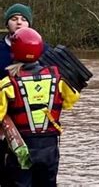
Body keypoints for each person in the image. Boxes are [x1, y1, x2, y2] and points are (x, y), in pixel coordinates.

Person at [0, 27, 79, 186]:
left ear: (13, 52)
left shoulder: (7, 84)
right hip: (50, 148)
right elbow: (71, 100)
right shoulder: (58, 79)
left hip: (21, 148)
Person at [0, 3, 35, 186]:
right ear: (7, 24)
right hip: (2, 118)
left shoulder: (41, 50)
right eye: (14, 19)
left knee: (27, 172)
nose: (19, 23)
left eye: (23, 20)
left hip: (30, 121)